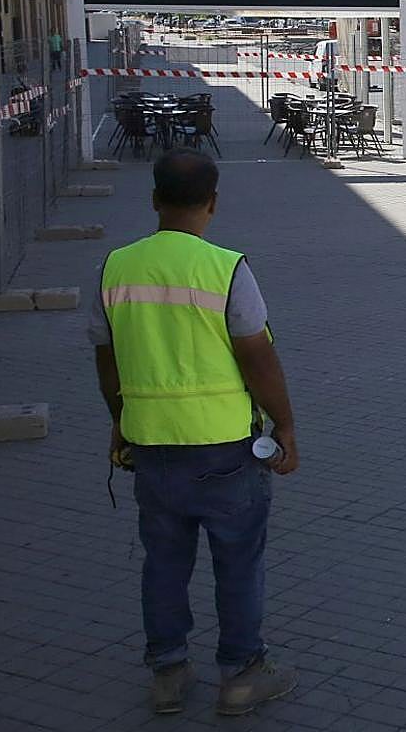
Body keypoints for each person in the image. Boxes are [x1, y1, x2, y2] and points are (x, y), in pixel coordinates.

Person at [90, 149, 300, 716]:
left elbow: (106, 356)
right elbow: (256, 355)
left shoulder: (116, 266)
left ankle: (167, 673)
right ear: (212, 204)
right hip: (225, 449)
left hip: (151, 446)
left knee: (162, 562)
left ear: (154, 200)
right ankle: (240, 675)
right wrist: (285, 425)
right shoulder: (226, 268)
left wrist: (119, 418)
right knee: (238, 562)